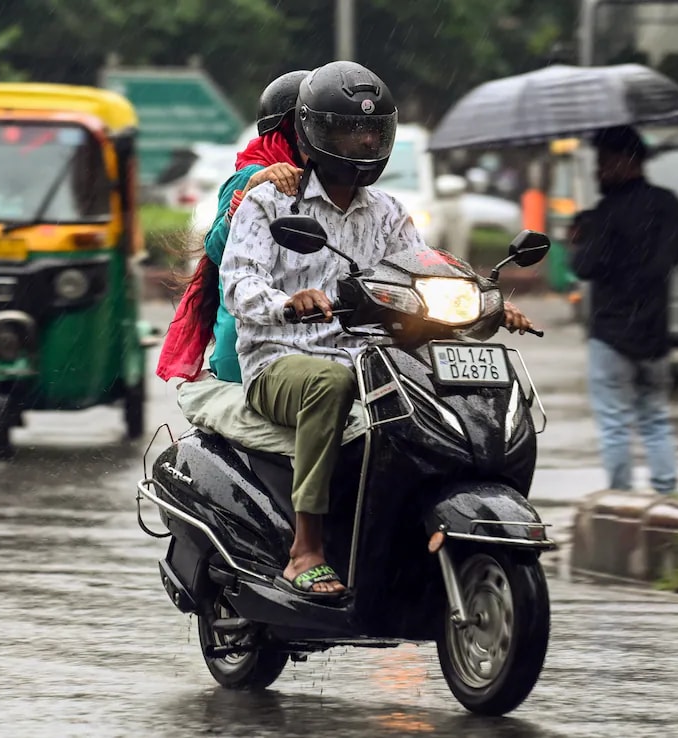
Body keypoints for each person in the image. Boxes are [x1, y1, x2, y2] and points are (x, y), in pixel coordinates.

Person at [221, 61, 535, 597]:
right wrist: (288, 303)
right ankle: (306, 549)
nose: (363, 141)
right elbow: (238, 284)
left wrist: (482, 304)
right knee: (329, 384)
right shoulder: (269, 203)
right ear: (313, 133)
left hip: (377, 362)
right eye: (348, 129)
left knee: (460, 395)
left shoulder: (388, 212)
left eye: (372, 130)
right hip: (280, 360)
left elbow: (422, 271)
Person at [156, 70, 309, 384]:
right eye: (312, 129)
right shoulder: (254, 176)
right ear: (289, 131)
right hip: (251, 340)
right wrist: (247, 197)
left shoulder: (323, 183)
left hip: (307, 333)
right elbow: (215, 248)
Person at [571, 125, 678, 495]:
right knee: (655, 418)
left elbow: (585, 267)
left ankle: (620, 499)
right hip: (655, 334)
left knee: (615, 422)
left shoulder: (605, 213)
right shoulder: (669, 205)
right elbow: (671, 258)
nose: (597, 171)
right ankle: (668, 497)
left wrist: (582, 236)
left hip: (611, 334)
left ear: (625, 161)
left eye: (603, 162)